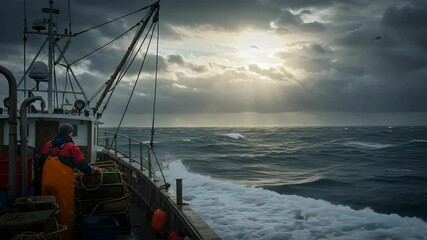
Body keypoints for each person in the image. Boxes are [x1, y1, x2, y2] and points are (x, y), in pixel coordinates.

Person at [40, 123, 102, 240]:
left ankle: (47, 235)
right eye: (72, 132)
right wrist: (93, 170)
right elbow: (82, 165)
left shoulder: (48, 144)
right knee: (64, 211)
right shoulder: (70, 147)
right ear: (69, 133)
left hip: (46, 183)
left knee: (47, 210)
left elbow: (41, 161)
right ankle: (64, 236)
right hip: (62, 185)